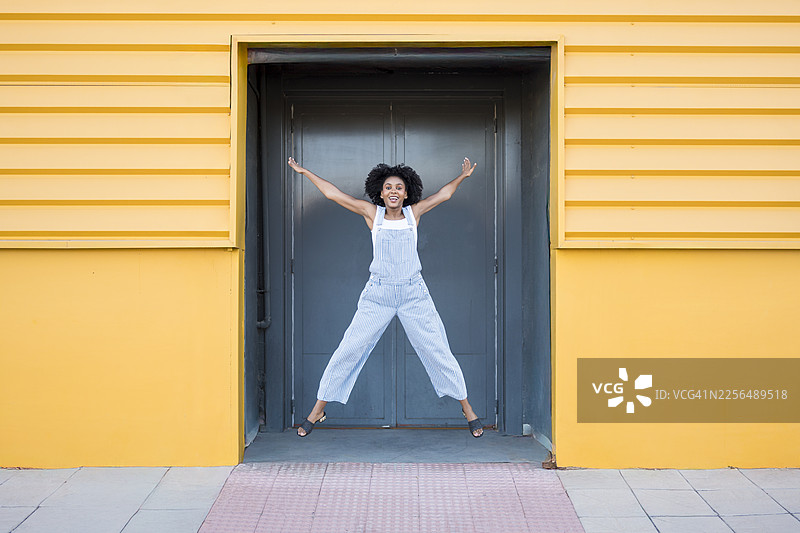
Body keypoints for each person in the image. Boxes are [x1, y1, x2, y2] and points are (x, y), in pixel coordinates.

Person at [287, 156, 484, 438]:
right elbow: (333, 194)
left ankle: (467, 409)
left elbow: (445, 193)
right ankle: (318, 410)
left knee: (438, 349)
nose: (394, 191)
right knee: (349, 349)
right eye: (389, 187)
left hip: (413, 294)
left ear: (407, 194)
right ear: (381, 193)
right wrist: (305, 172)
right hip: (378, 295)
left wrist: (462, 177)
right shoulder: (372, 214)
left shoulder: (414, 215)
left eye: (399, 188)